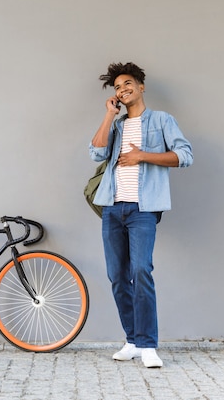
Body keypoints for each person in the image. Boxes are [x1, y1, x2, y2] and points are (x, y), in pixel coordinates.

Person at [89, 62, 193, 368]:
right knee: (117, 277)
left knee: (141, 271)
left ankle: (148, 345)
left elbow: (184, 155)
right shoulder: (117, 125)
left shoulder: (161, 120)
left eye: (127, 84)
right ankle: (132, 340)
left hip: (142, 210)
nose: (123, 90)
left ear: (141, 86)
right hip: (112, 208)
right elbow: (96, 151)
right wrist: (109, 115)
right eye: (118, 87)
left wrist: (141, 156)